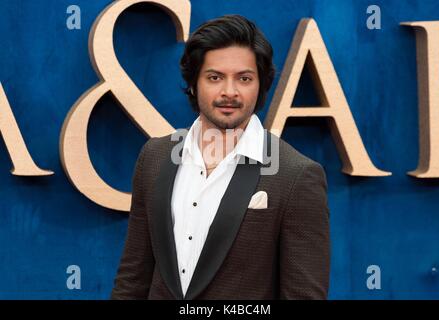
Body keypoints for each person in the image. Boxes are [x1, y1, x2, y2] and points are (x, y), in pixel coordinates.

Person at [111, 14, 330, 300]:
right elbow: (132, 279)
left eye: (244, 78)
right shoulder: (155, 157)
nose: (230, 92)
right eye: (215, 77)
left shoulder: (296, 176)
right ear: (193, 83)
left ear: (261, 85)